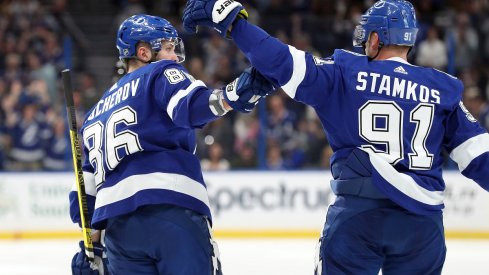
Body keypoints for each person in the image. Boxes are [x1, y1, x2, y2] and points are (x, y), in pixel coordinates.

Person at [183, 0, 489, 274]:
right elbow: (480, 158)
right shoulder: (443, 88)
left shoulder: (344, 70)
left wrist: (233, 21)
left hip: (359, 214)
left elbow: (279, 59)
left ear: (374, 39)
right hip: (422, 225)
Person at [69, 14, 274, 275]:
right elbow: (193, 106)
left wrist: (92, 250)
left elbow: (84, 201)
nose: (175, 57)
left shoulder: (95, 113)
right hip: (171, 211)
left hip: (120, 235)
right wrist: (233, 94)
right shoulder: (159, 73)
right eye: (167, 48)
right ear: (143, 52)